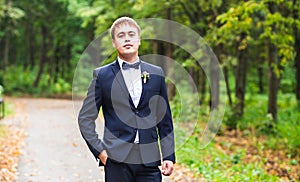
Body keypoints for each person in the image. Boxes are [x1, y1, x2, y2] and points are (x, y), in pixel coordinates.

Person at [78, 16, 175, 182]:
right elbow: (85, 118)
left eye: (131, 34)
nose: (127, 38)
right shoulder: (102, 76)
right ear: (114, 43)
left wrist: (168, 155)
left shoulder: (156, 73)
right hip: (116, 160)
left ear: (139, 41)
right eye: (121, 35)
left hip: (149, 160)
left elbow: (164, 119)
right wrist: (100, 152)